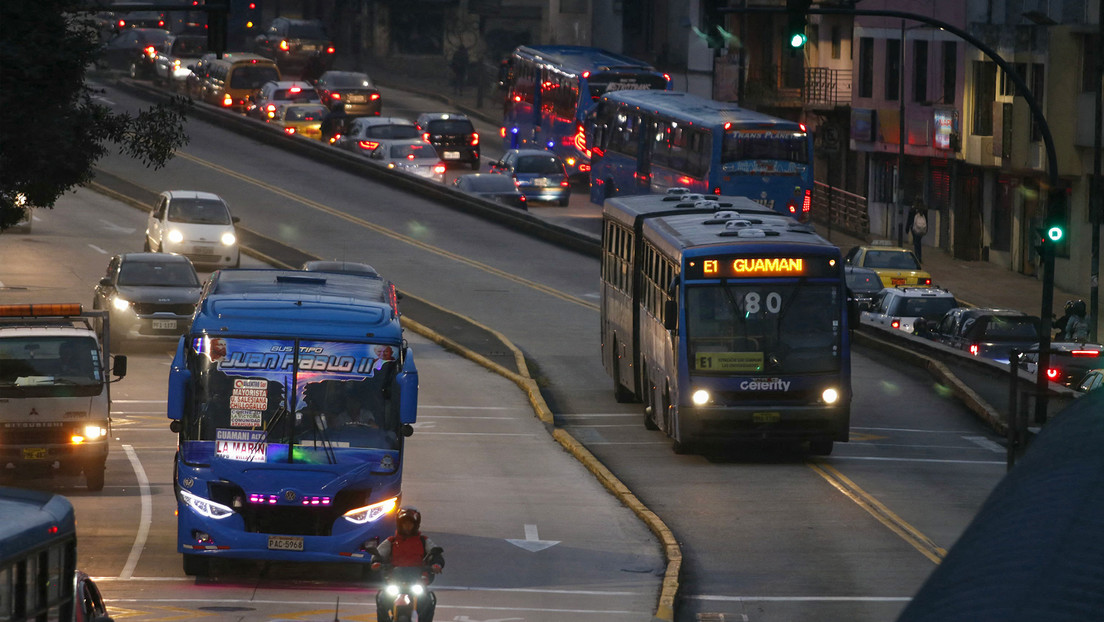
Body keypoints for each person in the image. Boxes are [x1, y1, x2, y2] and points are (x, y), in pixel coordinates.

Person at [372, 507, 444, 622]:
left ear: (416, 525)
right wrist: (376, 562)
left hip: (417, 580)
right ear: (399, 524)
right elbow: (379, 553)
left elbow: (435, 553)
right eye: (404, 524)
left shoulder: (423, 540)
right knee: (382, 599)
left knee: (428, 600)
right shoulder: (391, 541)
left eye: (410, 524)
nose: (407, 527)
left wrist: (437, 564)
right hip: (394, 580)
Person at [908, 198, 929, 263]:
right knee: (918, 242)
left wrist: (907, 227)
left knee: (916, 242)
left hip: (915, 227)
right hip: (922, 228)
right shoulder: (924, 210)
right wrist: (926, 228)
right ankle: (919, 256)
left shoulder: (913, 209)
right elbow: (926, 220)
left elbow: (909, 219)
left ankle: (917, 256)